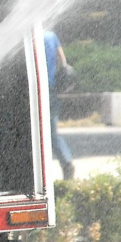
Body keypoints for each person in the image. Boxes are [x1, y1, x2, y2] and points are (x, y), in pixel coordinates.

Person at [44, 29, 75, 180]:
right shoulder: (51, 36)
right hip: (50, 90)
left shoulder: (27, 37)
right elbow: (63, 63)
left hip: (31, 90)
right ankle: (66, 162)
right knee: (51, 131)